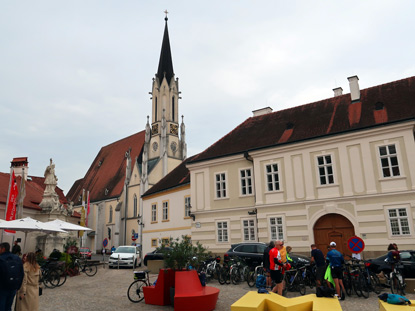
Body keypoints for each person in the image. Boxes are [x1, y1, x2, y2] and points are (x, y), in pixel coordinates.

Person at [0, 242, 24, 311]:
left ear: (3, 249)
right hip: (13, 287)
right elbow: (21, 274)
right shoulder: (17, 258)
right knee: (8, 306)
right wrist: (18, 287)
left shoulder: (1, 259)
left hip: (2, 288)